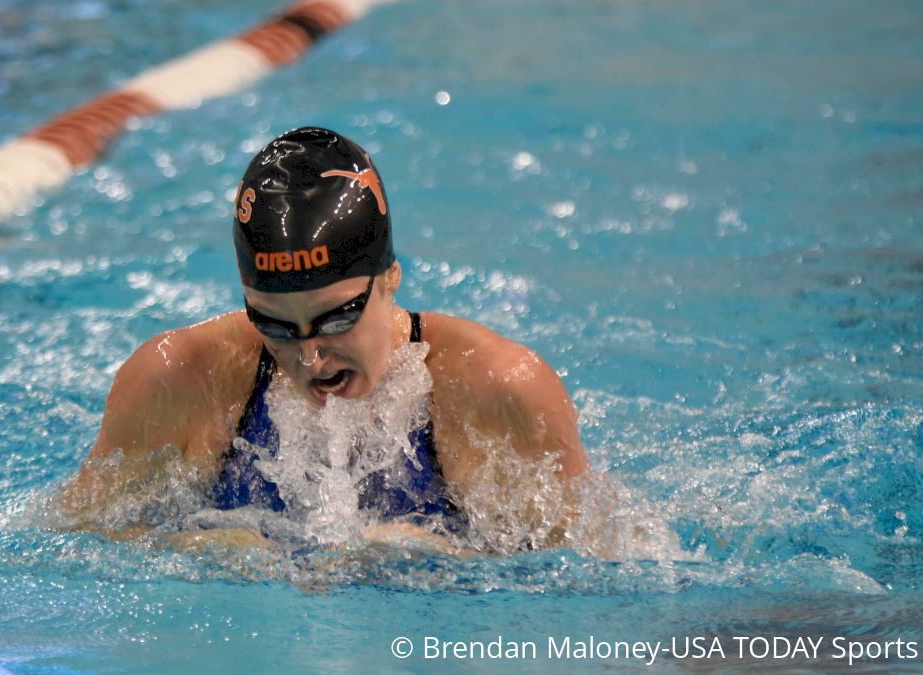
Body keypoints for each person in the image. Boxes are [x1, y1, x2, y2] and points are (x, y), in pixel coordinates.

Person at [58, 127, 588, 553]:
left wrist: (443, 562)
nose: (309, 356)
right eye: (274, 325)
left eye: (335, 320)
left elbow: (596, 579)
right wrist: (193, 550)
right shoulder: (179, 380)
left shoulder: (497, 389)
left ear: (391, 277)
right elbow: (71, 542)